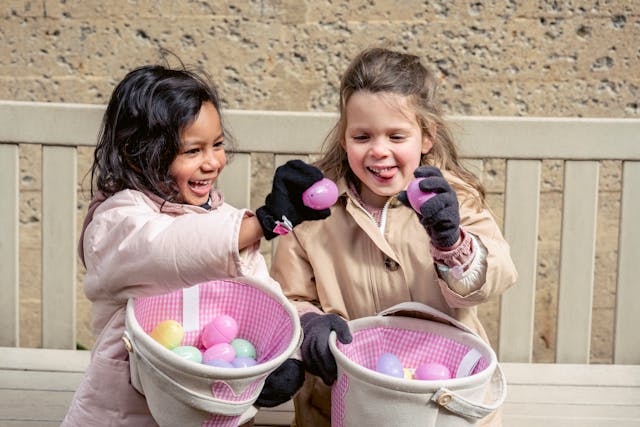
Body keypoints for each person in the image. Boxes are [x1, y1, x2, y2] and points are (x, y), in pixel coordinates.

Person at [62, 63, 328, 426]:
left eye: (217, 145)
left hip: (211, 406)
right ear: (137, 154)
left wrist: (297, 345)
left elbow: (261, 296)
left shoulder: (222, 219)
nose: (213, 162)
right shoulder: (117, 221)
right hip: (127, 413)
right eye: (192, 151)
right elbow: (167, 249)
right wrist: (261, 224)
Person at [270, 47, 518, 426]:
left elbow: (493, 276)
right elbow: (289, 296)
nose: (379, 151)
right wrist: (310, 325)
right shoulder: (313, 209)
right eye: (363, 136)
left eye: (397, 135)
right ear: (344, 138)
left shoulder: (453, 199)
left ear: (427, 137)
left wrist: (451, 242)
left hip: (443, 400)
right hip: (343, 400)